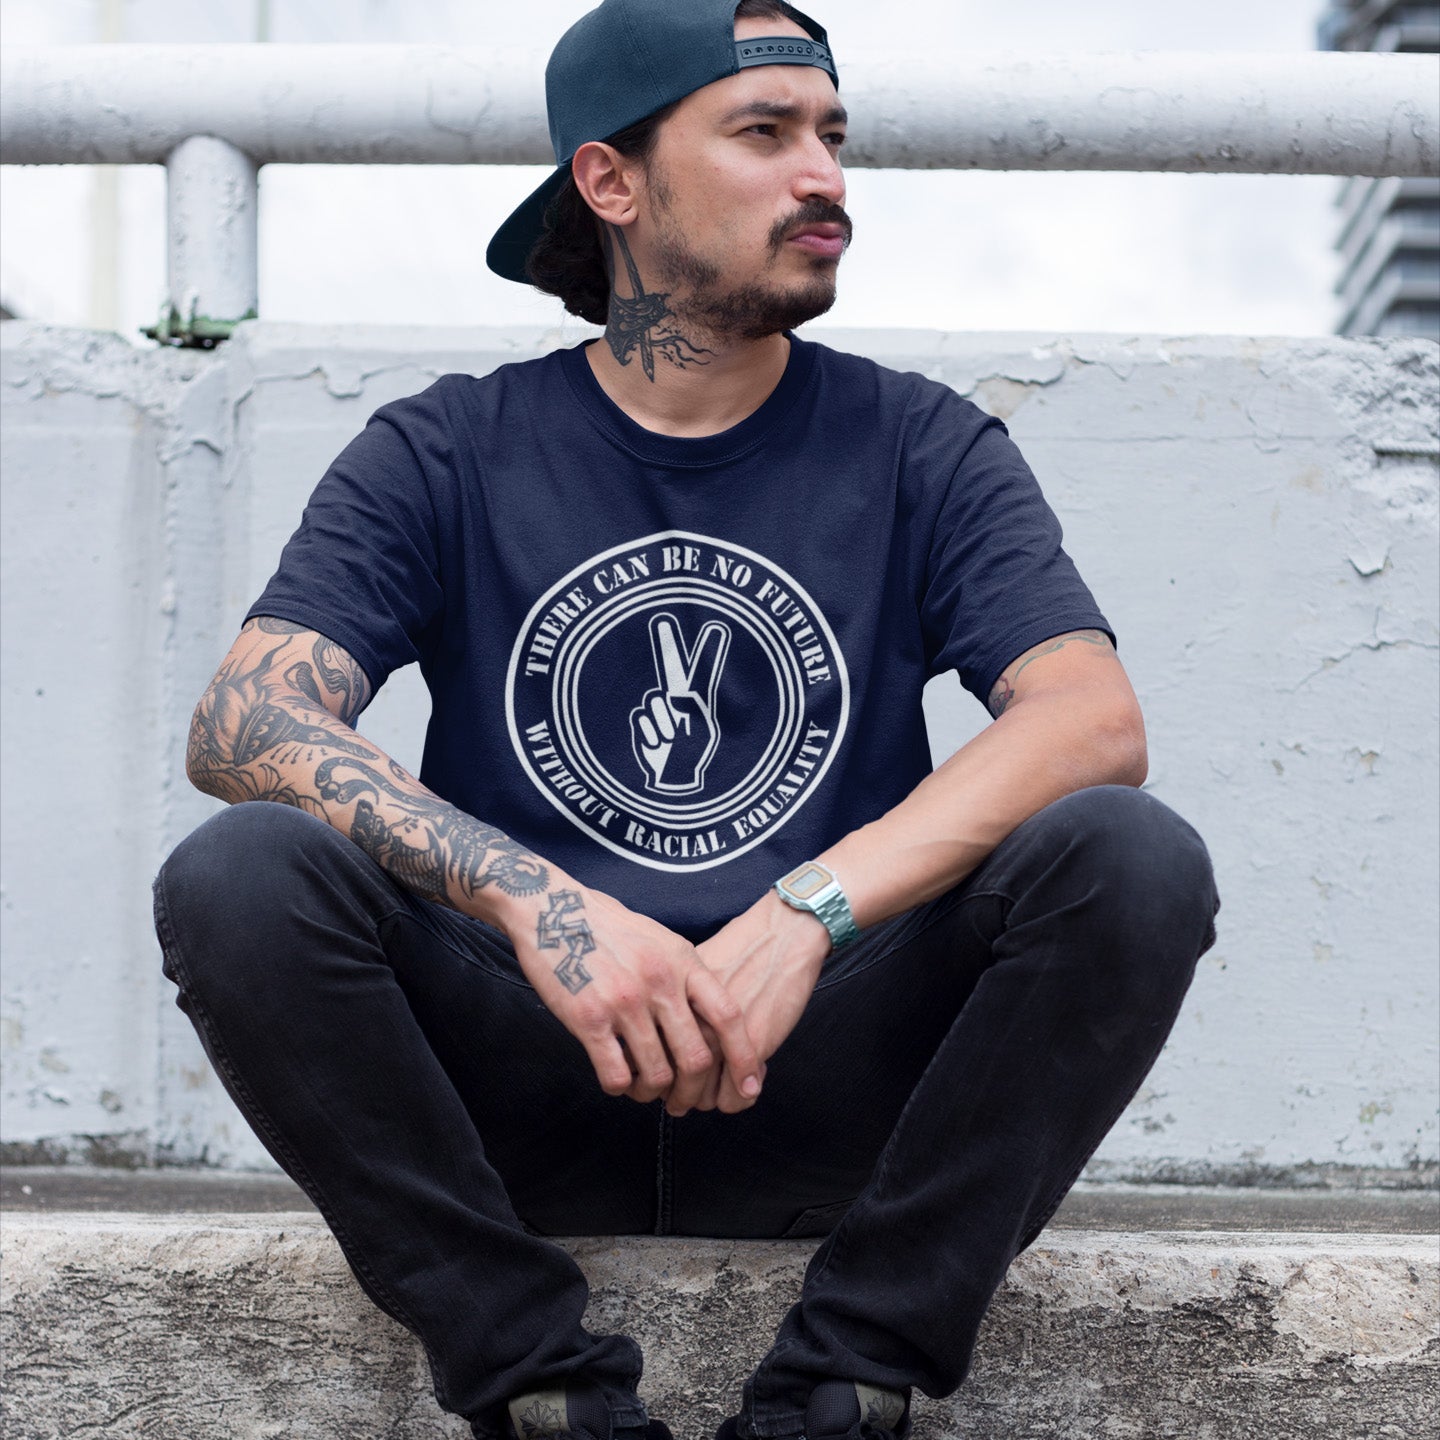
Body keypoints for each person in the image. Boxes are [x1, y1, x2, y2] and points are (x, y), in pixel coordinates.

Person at [153, 1, 1219, 1438]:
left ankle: (844, 1384)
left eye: (831, 135)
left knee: (1131, 859)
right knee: (239, 875)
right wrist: (541, 905)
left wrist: (807, 913)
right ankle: (544, 1389)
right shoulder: (449, 450)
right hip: (532, 1075)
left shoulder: (920, 445)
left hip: (827, 1076)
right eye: (763, 133)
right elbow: (245, 718)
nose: (823, 176)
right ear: (611, 182)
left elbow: (1089, 721)